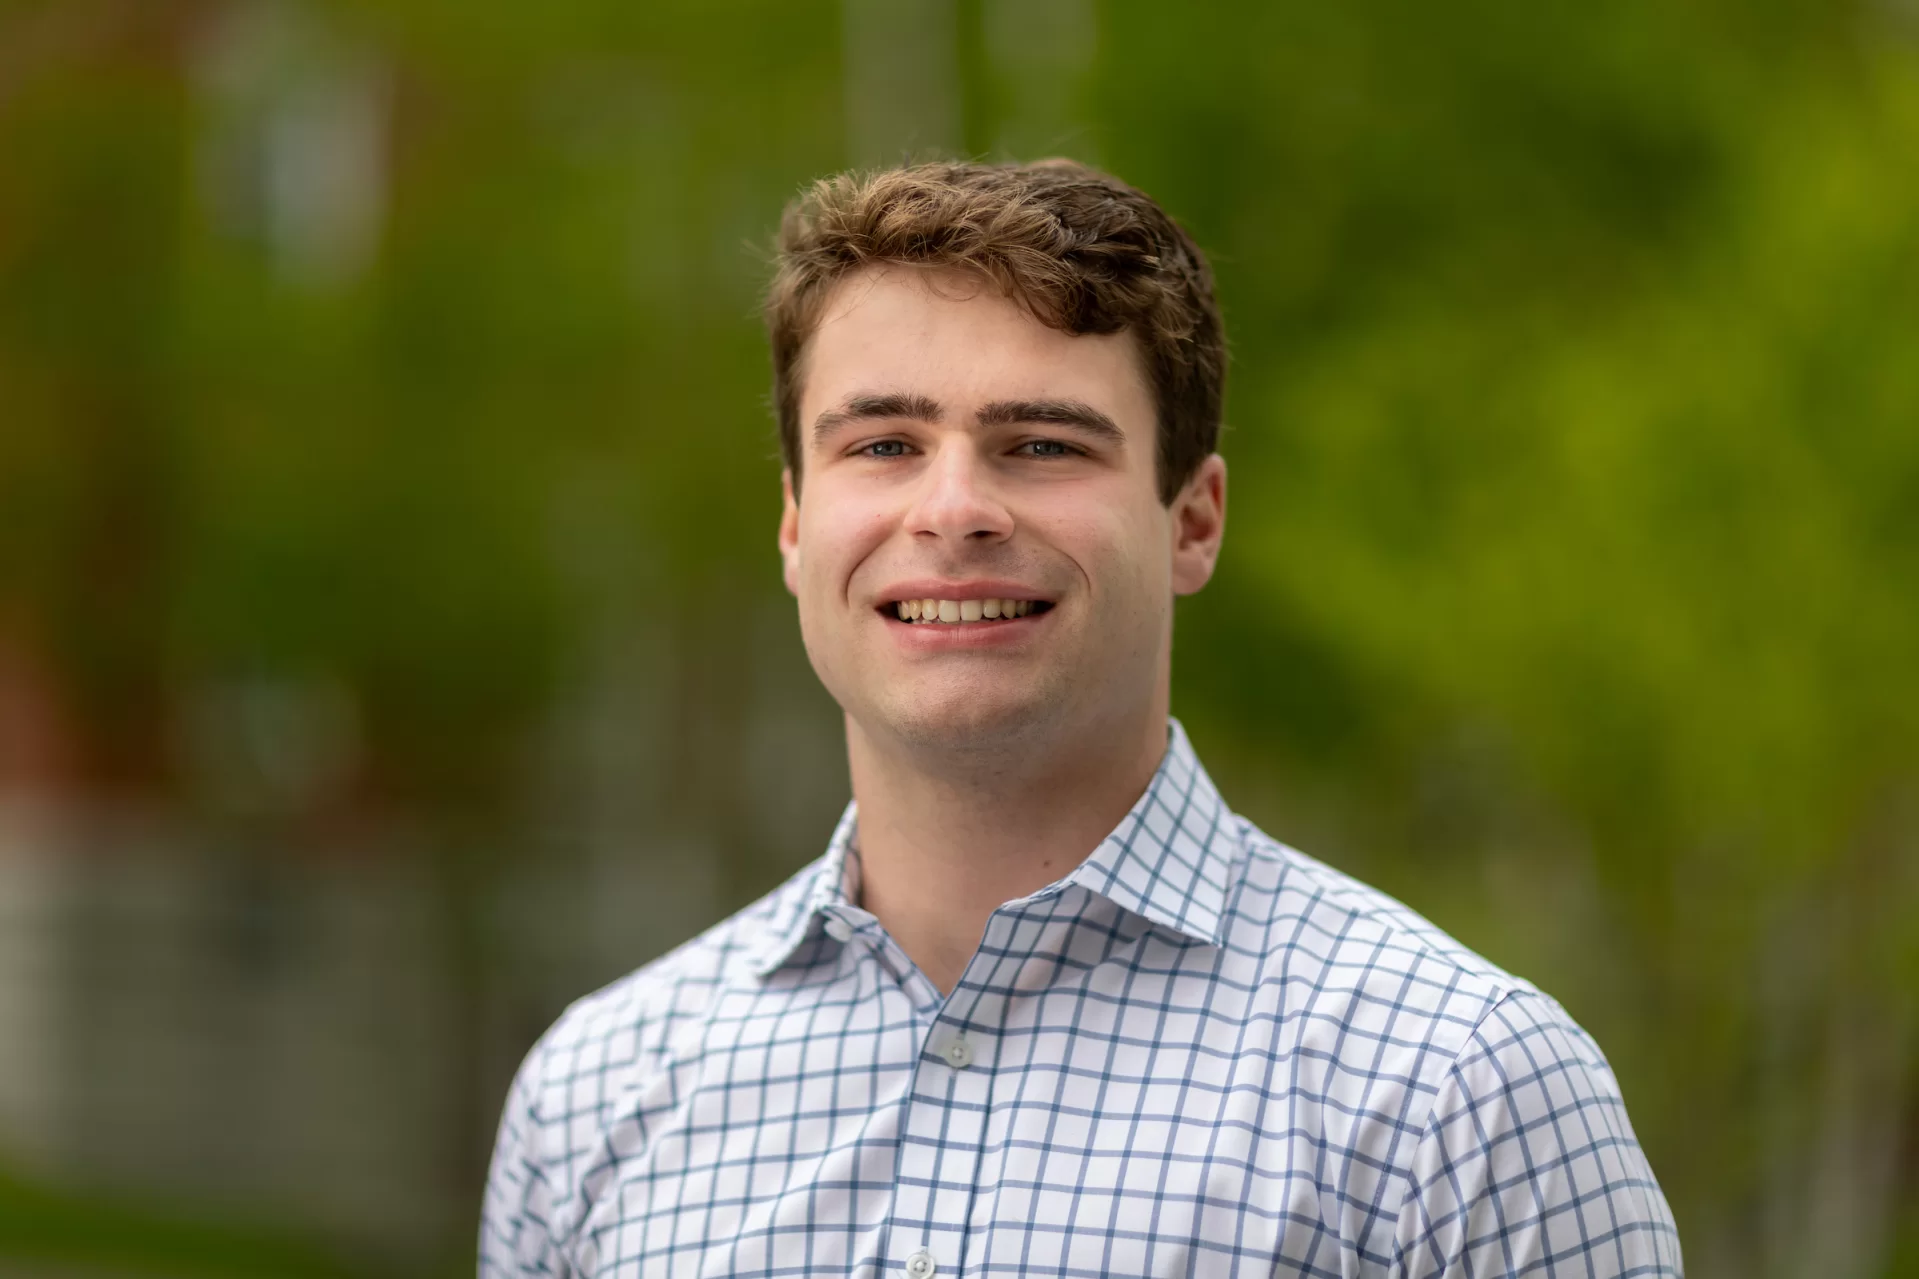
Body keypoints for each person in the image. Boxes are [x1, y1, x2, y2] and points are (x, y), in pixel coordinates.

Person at [480, 160, 1682, 1278]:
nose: (953, 508)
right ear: (796, 522)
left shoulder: (1455, 1091)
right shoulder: (596, 1095)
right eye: (884, 443)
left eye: (1042, 443)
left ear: (1193, 520)